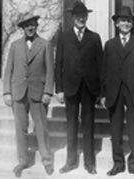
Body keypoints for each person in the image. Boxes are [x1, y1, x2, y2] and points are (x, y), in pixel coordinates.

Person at [101, 6, 134, 178]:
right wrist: (103, 94)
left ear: (132, 24)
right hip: (114, 92)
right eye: (122, 20)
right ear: (116, 23)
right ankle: (118, 163)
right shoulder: (109, 45)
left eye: (128, 21)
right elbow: (104, 71)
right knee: (115, 129)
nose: (125, 23)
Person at [3, 13, 54, 177]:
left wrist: (47, 91)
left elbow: (50, 72)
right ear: (23, 29)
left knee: (41, 127)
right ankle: (23, 161)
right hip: (18, 92)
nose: (30, 28)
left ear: (36, 26)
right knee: (20, 128)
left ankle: (47, 160)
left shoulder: (45, 45)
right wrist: (6, 92)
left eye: (32, 24)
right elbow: (8, 70)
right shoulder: (15, 46)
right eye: (27, 26)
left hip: (38, 93)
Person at [55, 1, 103, 175]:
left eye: (84, 15)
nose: (81, 18)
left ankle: (90, 163)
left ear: (87, 17)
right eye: (78, 15)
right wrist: (59, 89)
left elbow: (101, 65)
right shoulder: (63, 37)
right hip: (70, 87)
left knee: (89, 124)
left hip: (89, 88)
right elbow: (58, 63)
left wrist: (101, 92)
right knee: (71, 124)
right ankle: (71, 161)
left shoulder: (94, 38)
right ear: (72, 17)